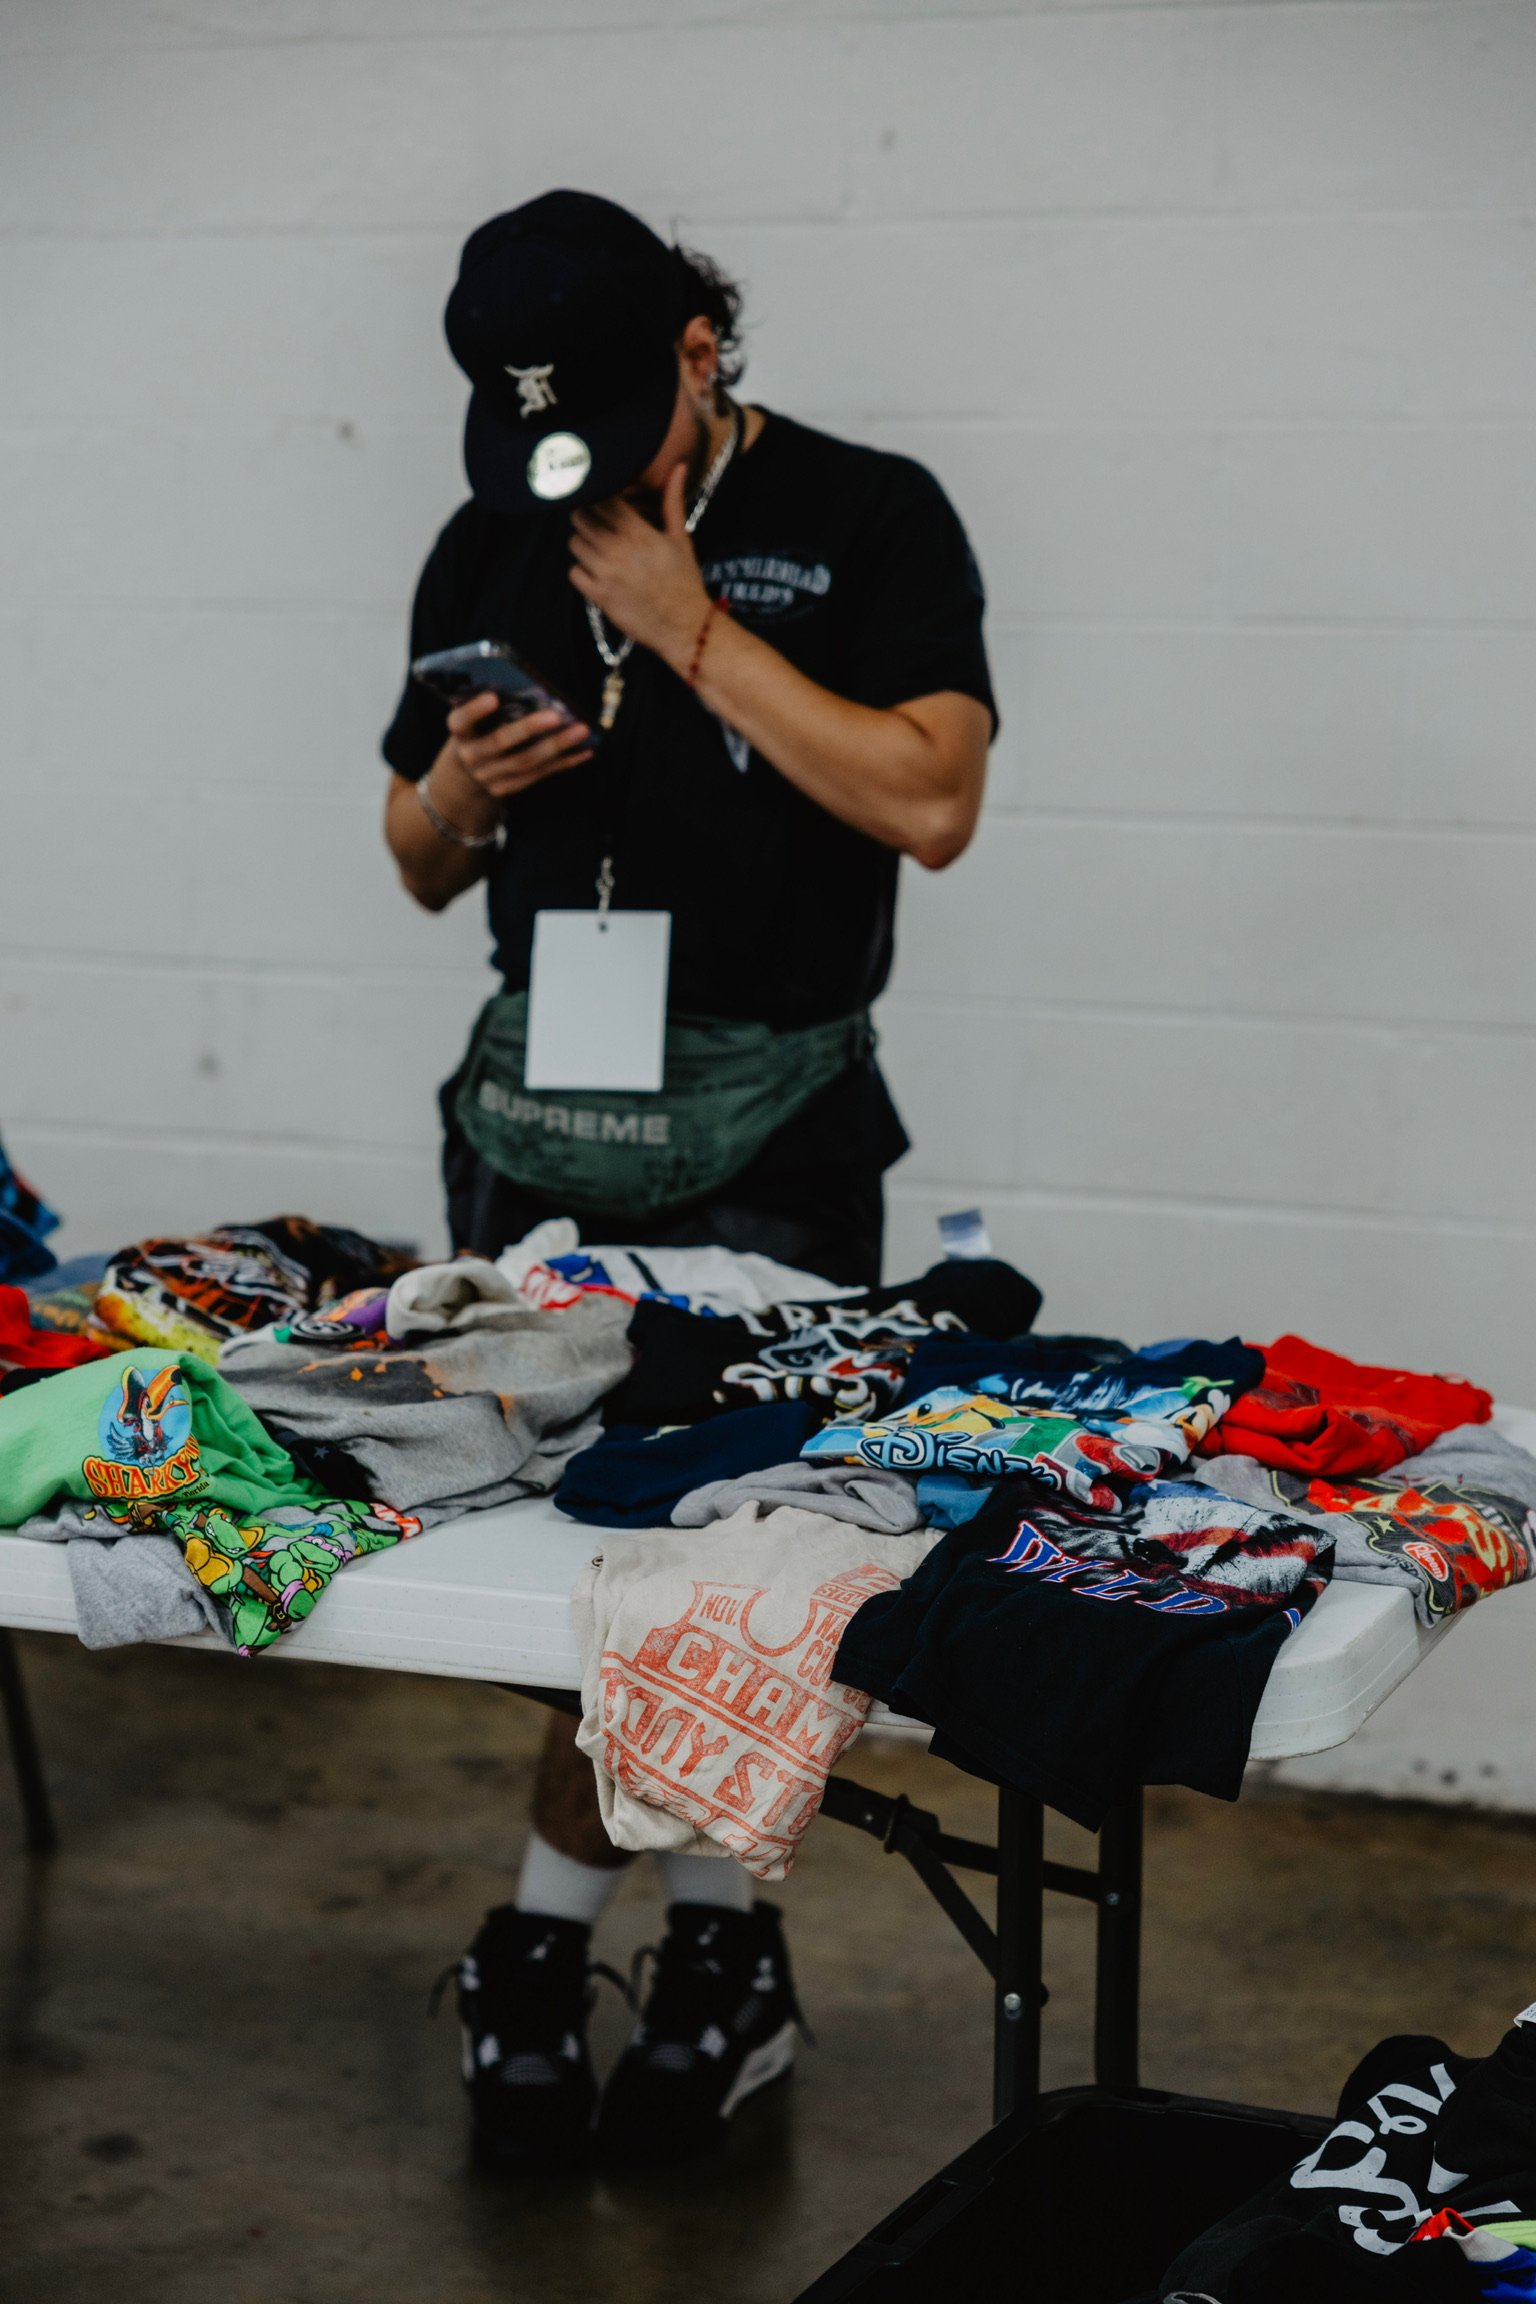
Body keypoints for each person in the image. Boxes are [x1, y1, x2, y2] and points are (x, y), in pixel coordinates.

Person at [382, 189, 996, 2169]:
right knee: (564, 1580)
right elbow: (411, 853)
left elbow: (931, 800)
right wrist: (470, 789)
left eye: (623, 416)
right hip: (540, 1152)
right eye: (534, 428)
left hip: (778, 1151)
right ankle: (627, 1949)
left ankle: (657, 1952)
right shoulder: (491, 531)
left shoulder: (876, 513)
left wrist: (695, 633)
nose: (579, 472)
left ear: (704, 353)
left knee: (743, 1574)